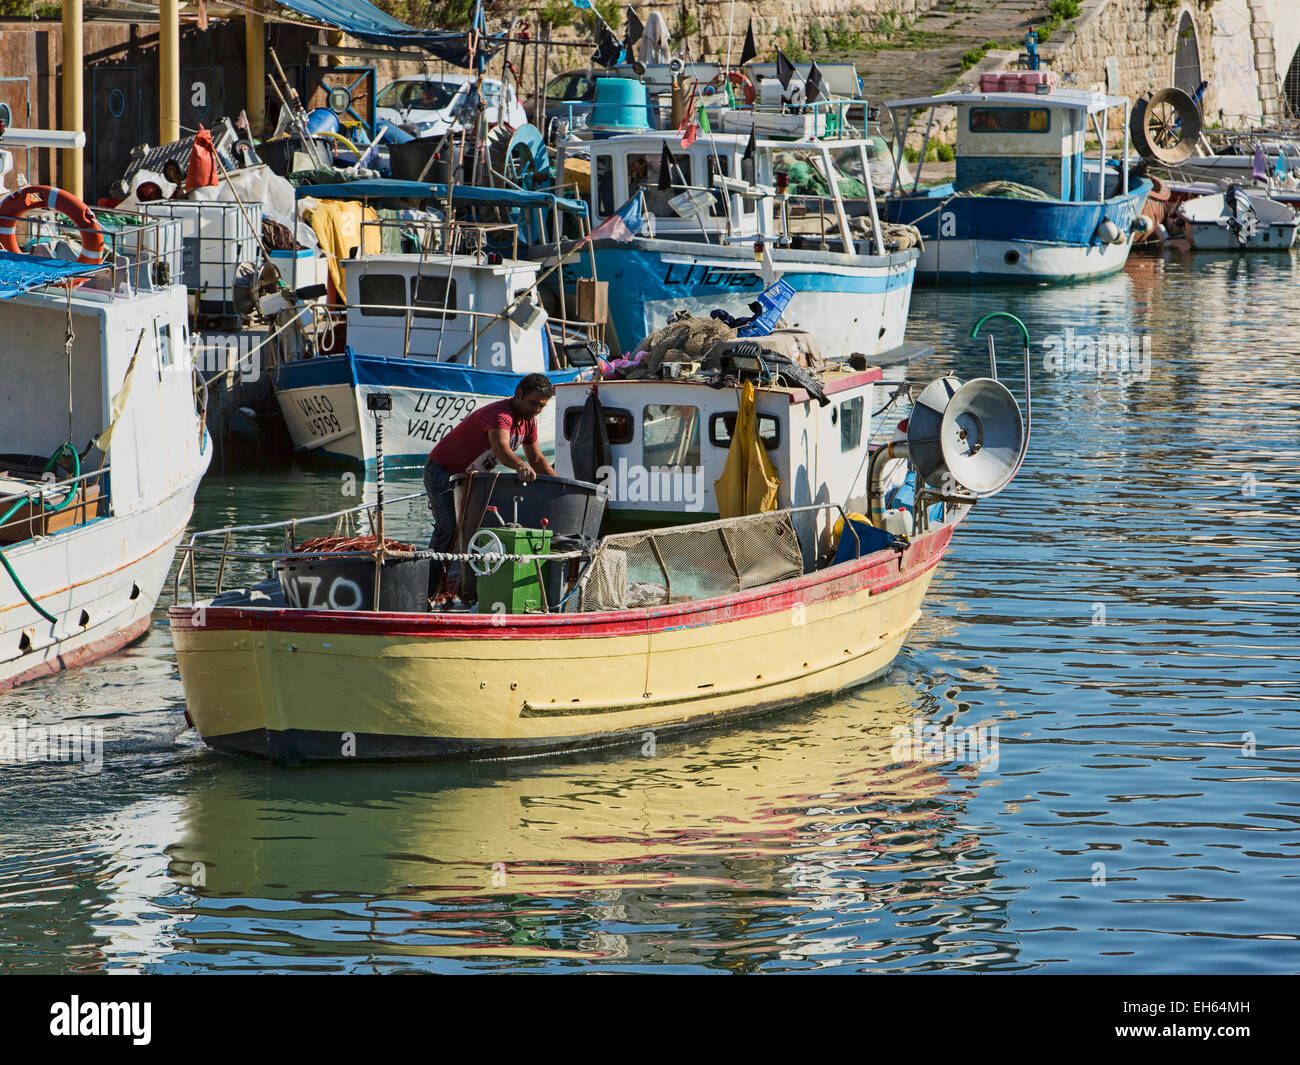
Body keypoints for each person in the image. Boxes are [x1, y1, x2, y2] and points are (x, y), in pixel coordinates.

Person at [423, 373, 558, 598]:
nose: (536, 410)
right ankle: (428, 589)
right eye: (533, 403)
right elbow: (501, 449)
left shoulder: (529, 422)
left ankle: (461, 590)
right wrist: (519, 467)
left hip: (470, 478)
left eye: (542, 406)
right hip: (442, 472)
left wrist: (559, 483)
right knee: (449, 528)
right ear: (519, 395)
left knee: (473, 532)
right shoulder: (500, 415)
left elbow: (537, 459)